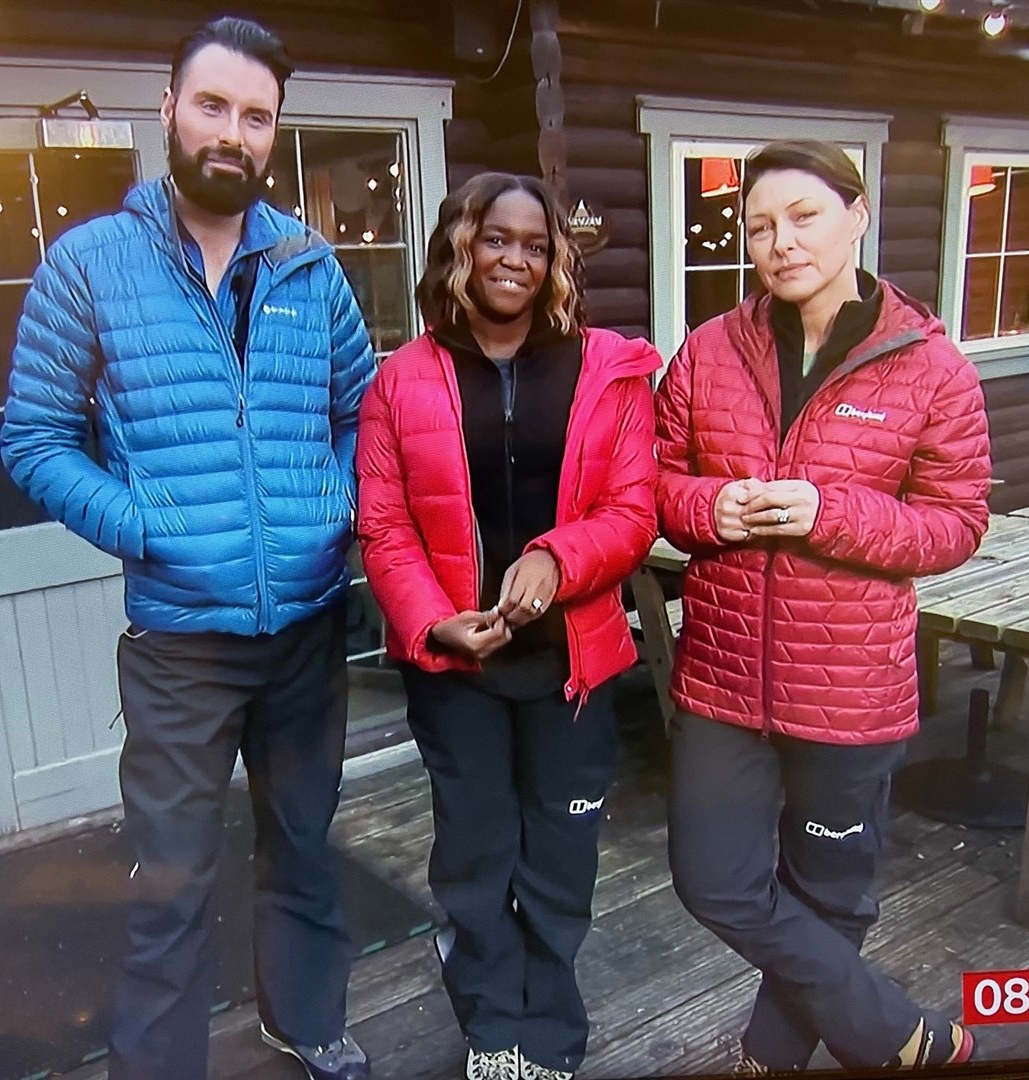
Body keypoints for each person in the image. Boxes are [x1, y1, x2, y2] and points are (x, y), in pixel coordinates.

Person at [0, 17, 374, 1080]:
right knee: (171, 876)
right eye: (213, 106)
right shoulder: (89, 266)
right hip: (179, 648)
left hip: (306, 629)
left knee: (304, 847)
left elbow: (364, 409)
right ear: (167, 110)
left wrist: (331, 500)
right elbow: (32, 438)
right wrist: (147, 526)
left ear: (273, 136)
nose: (233, 133)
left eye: (256, 117)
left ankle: (303, 1020)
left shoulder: (309, 266)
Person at [654, 141, 991, 1075]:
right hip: (724, 674)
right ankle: (896, 1035)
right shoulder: (709, 351)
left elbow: (956, 523)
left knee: (830, 892)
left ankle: (768, 1061)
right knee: (715, 881)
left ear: (858, 215)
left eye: (802, 216)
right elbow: (656, 483)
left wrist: (826, 513)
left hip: (850, 684)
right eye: (759, 226)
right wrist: (705, 508)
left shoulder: (929, 366)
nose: (778, 242)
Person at [355, 173, 659, 1080]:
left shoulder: (608, 368)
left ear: (554, 259)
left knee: (562, 855)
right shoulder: (398, 380)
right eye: (496, 239)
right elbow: (383, 524)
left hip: (574, 662)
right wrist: (433, 620)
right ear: (460, 246)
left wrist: (560, 559)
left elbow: (634, 508)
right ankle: (494, 1032)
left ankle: (552, 1035)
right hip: (460, 674)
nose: (515, 260)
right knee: (478, 857)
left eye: (535, 245)